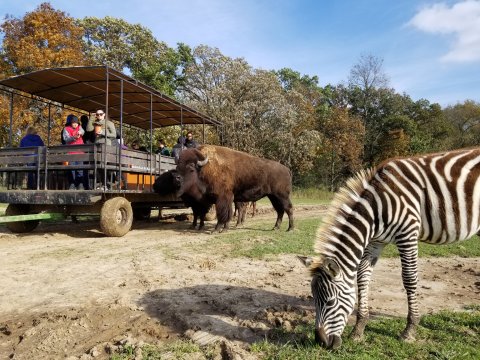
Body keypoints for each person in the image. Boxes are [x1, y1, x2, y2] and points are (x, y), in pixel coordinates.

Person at [63, 115, 87, 190]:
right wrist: (74, 138)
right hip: (71, 152)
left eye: (76, 123)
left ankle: (80, 183)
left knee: (80, 169)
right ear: (71, 123)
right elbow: (66, 139)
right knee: (72, 169)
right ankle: (72, 183)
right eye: (74, 123)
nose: (75, 124)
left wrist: (79, 132)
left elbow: (83, 131)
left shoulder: (79, 127)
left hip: (80, 152)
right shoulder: (66, 129)